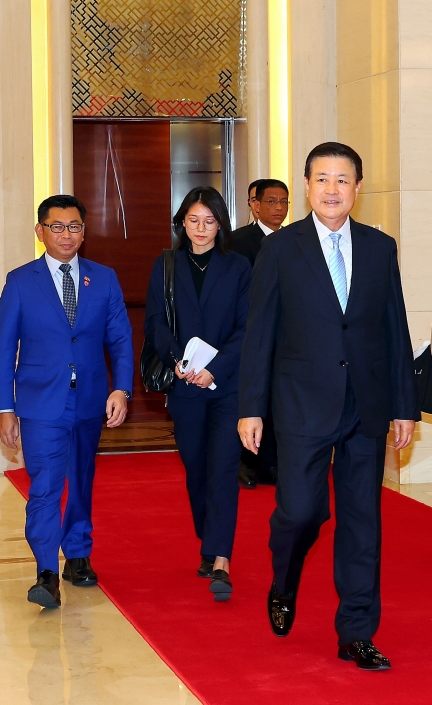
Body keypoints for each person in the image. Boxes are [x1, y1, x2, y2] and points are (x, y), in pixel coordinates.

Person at [238, 142, 418, 671]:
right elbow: (259, 333)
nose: (332, 189)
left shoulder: (380, 248)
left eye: (343, 180)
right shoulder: (281, 249)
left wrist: (404, 405)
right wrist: (251, 406)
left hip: (366, 405)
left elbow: (394, 328)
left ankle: (356, 631)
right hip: (300, 405)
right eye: (322, 179)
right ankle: (284, 579)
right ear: (307, 187)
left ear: (357, 189)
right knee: (299, 511)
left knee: (363, 521)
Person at [0, 194, 133, 609]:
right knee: (44, 488)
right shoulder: (21, 281)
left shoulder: (103, 278)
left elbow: (121, 340)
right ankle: (46, 572)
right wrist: (6, 407)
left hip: (90, 401)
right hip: (40, 404)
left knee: (82, 482)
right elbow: (5, 350)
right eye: (56, 226)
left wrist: (121, 389)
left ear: (84, 231)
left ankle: (77, 555)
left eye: (74, 226)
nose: (66, 234)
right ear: (40, 232)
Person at [145, 186, 252, 601]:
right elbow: (156, 321)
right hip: (184, 384)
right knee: (196, 468)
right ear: (181, 223)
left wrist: (215, 369)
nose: (201, 229)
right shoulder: (167, 265)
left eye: (209, 221)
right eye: (193, 220)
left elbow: (248, 327)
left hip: (226, 386)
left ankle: (220, 558)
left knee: (224, 467)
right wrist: (180, 362)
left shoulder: (239, 266)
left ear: (221, 224)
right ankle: (209, 538)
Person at [231, 179, 290, 489]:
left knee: (281, 402)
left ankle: (277, 465)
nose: (278, 208)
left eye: (284, 202)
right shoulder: (238, 242)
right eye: (271, 201)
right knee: (255, 399)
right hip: (251, 332)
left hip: (289, 337)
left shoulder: (296, 240)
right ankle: (248, 463)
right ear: (255, 205)